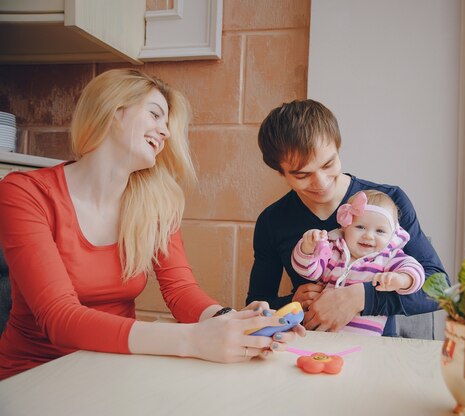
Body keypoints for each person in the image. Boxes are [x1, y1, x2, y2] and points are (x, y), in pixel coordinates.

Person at [0, 69, 303, 381]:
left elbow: (181, 291)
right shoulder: (25, 192)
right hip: (33, 376)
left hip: (114, 369)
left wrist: (233, 321)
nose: (166, 132)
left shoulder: (156, 202)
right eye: (155, 115)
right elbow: (59, 317)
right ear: (113, 110)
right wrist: (194, 340)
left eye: (167, 124)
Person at [247, 99, 448, 337]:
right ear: (280, 172)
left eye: (328, 164)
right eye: (302, 175)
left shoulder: (389, 203)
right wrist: (291, 302)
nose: (320, 183)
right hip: (306, 351)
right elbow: (256, 304)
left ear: (338, 147)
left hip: (376, 356)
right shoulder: (273, 221)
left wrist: (361, 297)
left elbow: (440, 289)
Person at [291, 190, 425, 336]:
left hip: (365, 341)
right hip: (322, 333)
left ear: (391, 235)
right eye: (360, 227)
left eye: (380, 231)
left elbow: (415, 270)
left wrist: (401, 279)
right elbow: (309, 271)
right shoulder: (333, 251)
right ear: (344, 227)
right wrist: (307, 248)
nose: (368, 236)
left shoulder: (388, 257)